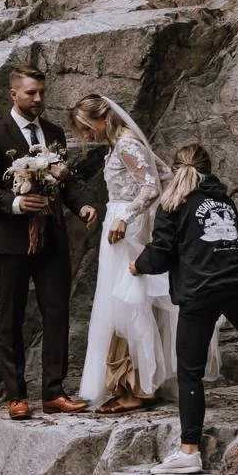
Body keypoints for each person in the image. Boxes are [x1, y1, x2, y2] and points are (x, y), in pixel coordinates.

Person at [130, 142, 238, 473]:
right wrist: (231, 267)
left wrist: (138, 265)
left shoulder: (172, 204)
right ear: (208, 167)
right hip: (236, 283)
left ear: (176, 168)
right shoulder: (222, 200)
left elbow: (160, 254)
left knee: (189, 369)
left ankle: (189, 451)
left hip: (199, 291)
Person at [0, 65, 98, 420]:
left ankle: (54, 392)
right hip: (12, 240)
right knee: (11, 317)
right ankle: (16, 396)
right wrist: (16, 204)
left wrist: (82, 206)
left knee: (57, 313)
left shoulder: (54, 132)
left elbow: (65, 182)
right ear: (13, 94)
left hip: (52, 237)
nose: (38, 99)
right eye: (31, 93)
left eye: (42, 92)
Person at [69, 93, 176, 415]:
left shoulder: (127, 144)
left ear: (103, 118)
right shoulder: (120, 145)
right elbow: (166, 174)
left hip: (126, 231)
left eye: (88, 128)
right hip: (120, 228)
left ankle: (137, 387)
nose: (87, 136)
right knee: (122, 305)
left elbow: (152, 187)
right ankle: (133, 381)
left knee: (130, 305)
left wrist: (127, 217)